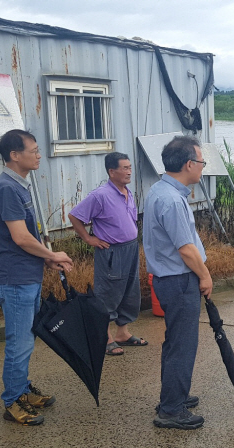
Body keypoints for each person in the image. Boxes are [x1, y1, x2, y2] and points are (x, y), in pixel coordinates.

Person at [0, 129, 73, 426]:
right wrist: (52, 256)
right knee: (19, 342)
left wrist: (44, 261)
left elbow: (24, 239)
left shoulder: (19, 185)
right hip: (13, 280)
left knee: (25, 339)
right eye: (34, 150)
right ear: (14, 155)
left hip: (24, 276)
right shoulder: (8, 188)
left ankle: (22, 389)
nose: (38, 155)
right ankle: (13, 402)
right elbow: (21, 238)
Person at [143, 136, 211, 430]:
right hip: (179, 280)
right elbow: (185, 249)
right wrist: (205, 276)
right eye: (201, 162)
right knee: (183, 345)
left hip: (170, 279)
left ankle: (173, 396)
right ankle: (171, 409)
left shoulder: (162, 190)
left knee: (175, 342)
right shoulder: (171, 199)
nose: (202, 168)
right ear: (188, 164)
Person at [68, 152, 146, 357]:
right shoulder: (100, 195)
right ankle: (106, 337)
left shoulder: (127, 191)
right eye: (125, 168)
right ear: (112, 172)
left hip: (130, 249)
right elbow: (75, 216)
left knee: (130, 291)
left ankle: (122, 333)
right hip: (112, 252)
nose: (129, 171)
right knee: (109, 292)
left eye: (130, 167)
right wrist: (88, 238)